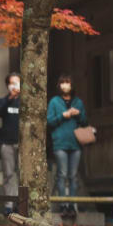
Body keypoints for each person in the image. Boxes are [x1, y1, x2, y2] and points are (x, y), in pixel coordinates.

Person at [47, 73, 88, 218]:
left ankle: (72, 204)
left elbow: (85, 122)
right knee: (62, 174)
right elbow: (49, 121)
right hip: (60, 143)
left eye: (68, 82)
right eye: (63, 83)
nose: (65, 85)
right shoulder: (54, 102)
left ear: (72, 85)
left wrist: (77, 114)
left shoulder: (78, 102)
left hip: (75, 143)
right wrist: (63, 115)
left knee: (73, 176)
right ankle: (63, 205)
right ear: (59, 85)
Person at [0, 73, 21, 216]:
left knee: (21, 175)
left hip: (21, 143)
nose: (14, 85)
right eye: (12, 83)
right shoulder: (3, 101)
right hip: (6, 143)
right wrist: (9, 98)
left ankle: (20, 203)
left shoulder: (25, 102)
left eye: (17, 82)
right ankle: (8, 205)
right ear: (8, 85)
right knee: (8, 174)